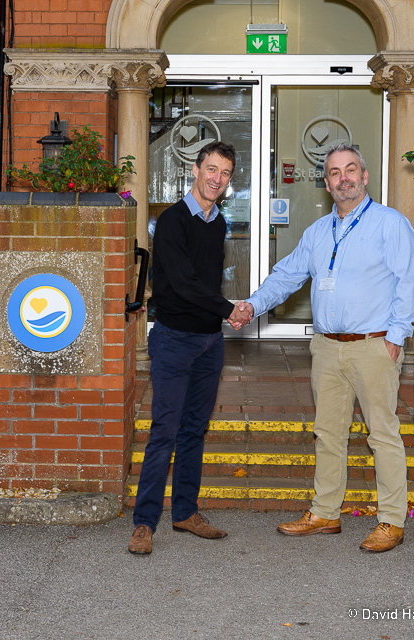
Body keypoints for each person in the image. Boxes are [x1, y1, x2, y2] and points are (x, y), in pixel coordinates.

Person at [237, 143, 414, 553]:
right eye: (335, 173)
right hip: (326, 347)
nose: (344, 178)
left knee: (383, 435)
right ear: (326, 183)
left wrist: (396, 335)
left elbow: (409, 281)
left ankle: (391, 520)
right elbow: (287, 276)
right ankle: (325, 514)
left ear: (365, 175)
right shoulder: (318, 232)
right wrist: (252, 306)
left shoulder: (390, 224)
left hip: (374, 346)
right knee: (328, 434)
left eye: (350, 169)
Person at [128, 141, 250, 556]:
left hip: (209, 343)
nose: (217, 179)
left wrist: (221, 316)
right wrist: (229, 310)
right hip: (174, 341)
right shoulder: (173, 221)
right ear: (196, 170)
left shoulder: (218, 222)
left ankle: (185, 512)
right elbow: (180, 284)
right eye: (211, 169)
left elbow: (207, 282)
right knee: (164, 431)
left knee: (194, 430)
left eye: (226, 173)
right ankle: (144, 523)